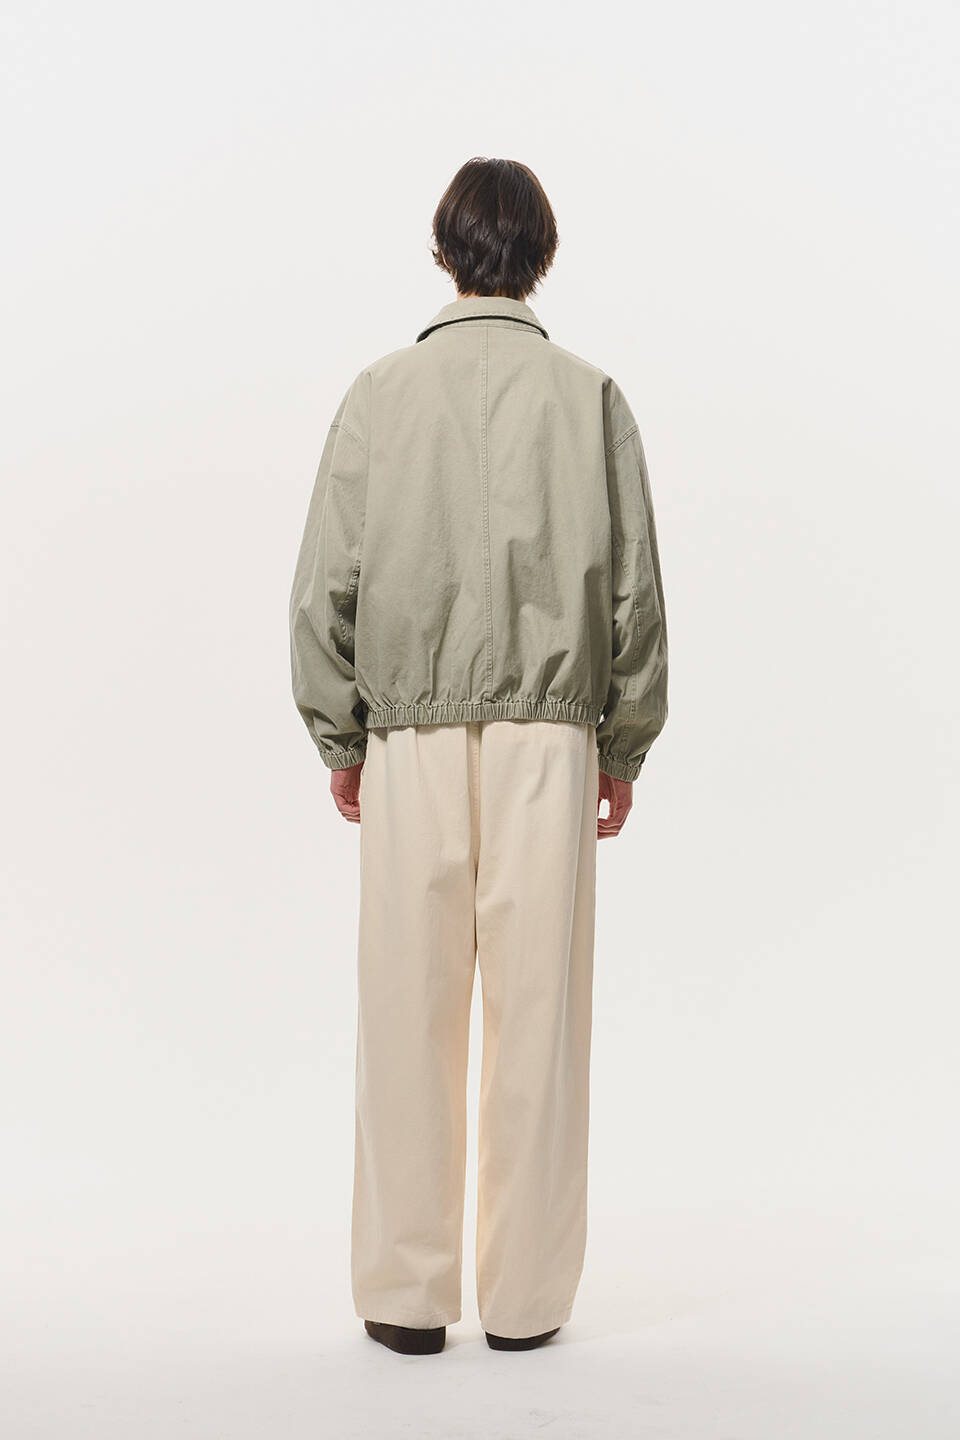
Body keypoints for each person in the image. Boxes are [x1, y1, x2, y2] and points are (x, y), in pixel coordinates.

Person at [288, 156, 668, 1356]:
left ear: (444, 249)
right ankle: (525, 1303)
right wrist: (623, 744)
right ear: (540, 255)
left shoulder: (380, 393)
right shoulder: (590, 396)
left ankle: (405, 1298)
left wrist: (341, 732)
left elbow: (326, 583)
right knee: (538, 1023)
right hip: (550, 741)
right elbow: (636, 595)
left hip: (406, 736)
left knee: (406, 1013)